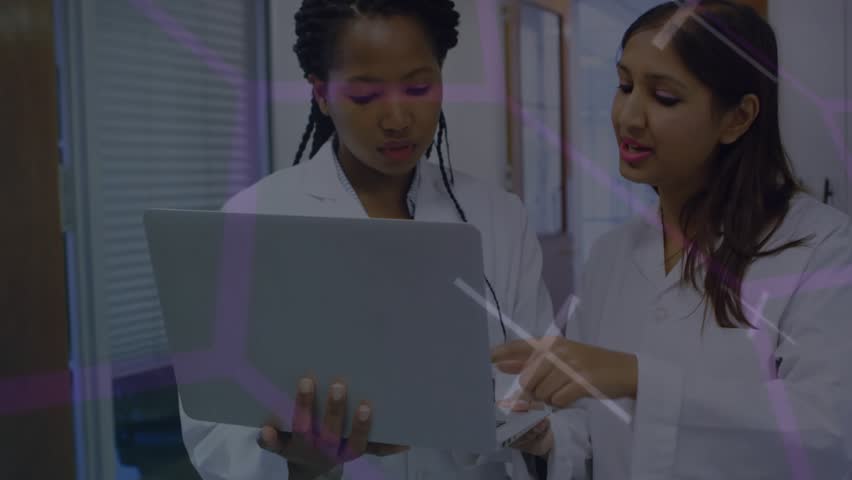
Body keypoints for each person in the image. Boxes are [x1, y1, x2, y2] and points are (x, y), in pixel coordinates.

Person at [178, 1, 565, 479]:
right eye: (365, 95)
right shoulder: (253, 220)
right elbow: (214, 430)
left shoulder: (499, 219)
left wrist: (515, 423)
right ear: (321, 92)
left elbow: (551, 395)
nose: (398, 118)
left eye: (419, 87)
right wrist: (300, 465)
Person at [492, 1, 852, 478]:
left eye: (664, 97)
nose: (629, 116)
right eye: (624, 85)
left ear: (738, 118)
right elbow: (595, 424)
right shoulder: (612, 254)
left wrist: (640, 378)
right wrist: (549, 434)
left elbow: (829, 434)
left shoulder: (820, 247)